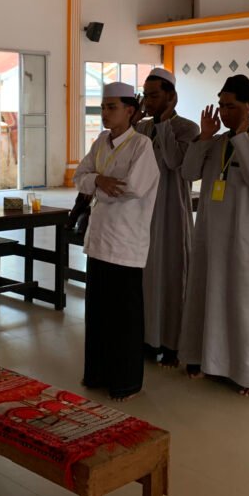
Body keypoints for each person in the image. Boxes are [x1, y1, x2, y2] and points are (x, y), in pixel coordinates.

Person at [179, 74, 249, 397]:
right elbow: (188, 172)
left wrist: (241, 137)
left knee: (247, 302)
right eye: (221, 105)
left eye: (231, 106)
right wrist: (204, 137)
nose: (223, 112)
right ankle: (205, 359)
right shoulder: (216, 143)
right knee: (209, 294)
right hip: (212, 234)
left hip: (248, 237)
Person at [74, 82, 159, 401]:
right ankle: (96, 373)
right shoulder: (100, 142)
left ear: (130, 111)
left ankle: (125, 382)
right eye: (102, 107)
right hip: (99, 240)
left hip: (125, 242)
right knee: (97, 312)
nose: (105, 113)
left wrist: (97, 186)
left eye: (112, 107)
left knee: (124, 316)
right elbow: (79, 177)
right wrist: (99, 180)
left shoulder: (141, 146)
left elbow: (130, 188)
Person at [136, 67, 199, 368]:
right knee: (145, 278)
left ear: (171, 97)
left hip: (171, 212)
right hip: (142, 213)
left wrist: (163, 124)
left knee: (172, 275)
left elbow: (176, 162)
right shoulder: (141, 128)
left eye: (154, 96)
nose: (148, 102)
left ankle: (172, 343)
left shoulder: (188, 128)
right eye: (145, 96)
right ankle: (147, 338)